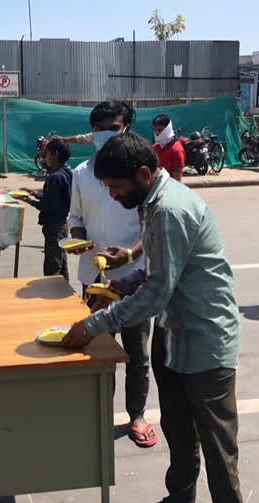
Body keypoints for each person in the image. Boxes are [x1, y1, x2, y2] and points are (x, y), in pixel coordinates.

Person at [63, 131, 244, 503]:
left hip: (205, 342)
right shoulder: (152, 201)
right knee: (179, 432)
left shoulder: (169, 209)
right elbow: (158, 272)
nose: (112, 195)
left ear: (144, 173)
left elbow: (159, 291)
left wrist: (93, 325)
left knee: (218, 449)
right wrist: (118, 284)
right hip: (173, 335)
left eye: (116, 187)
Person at [66, 100, 156, 448]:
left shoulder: (141, 172)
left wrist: (131, 254)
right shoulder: (81, 173)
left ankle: (137, 414)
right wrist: (81, 243)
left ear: (127, 128)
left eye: (113, 126)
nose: (105, 133)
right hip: (93, 278)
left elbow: (152, 226)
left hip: (134, 280)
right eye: (99, 127)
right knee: (97, 352)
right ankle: (98, 416)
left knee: (137, 353)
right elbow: (75, 219)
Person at [16, 138, 73, 280]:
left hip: (54, 228)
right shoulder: (66, 173)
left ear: (55, 155)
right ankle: (64, 295)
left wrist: (30, 201)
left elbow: (50, 205)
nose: (44, 158)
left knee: (52, 268)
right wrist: (36, 193)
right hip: (61, 225)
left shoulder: (55, 177)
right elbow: (55, 198)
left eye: (46, 154)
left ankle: (53, 297)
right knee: (61, 265)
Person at [151, 114, 185, 181]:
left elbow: (177, 180)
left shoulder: (176, 150)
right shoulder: (155, 147)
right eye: (154, 130)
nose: (156, 133)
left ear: (167, 129)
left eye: (159, 130)